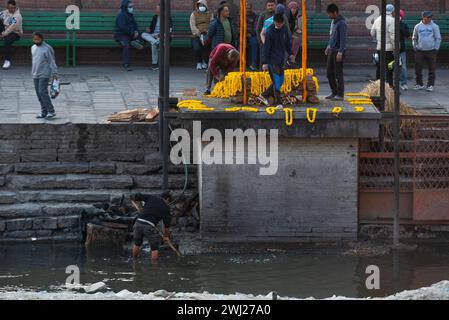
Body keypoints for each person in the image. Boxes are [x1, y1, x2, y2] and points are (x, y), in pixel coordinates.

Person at [259, 13, 295, 109]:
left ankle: (264, 95)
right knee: (277, 81)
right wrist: (264, 62)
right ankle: (278, 102)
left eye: (281, 23)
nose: (279, 25)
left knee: (281, 80)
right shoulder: (269, 31)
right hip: (271, 60)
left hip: (281, 59)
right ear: (274, 21)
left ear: (283, 22)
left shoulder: (284, 30)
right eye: (277, 23)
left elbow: (288, 43)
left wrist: (291, 53)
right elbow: (266, 48)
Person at [131, 192, 172, 262]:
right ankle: (154, 267)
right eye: (169, 202)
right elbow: (167, 227)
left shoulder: (151, 197)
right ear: (167, 199)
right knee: (154, 248)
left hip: (138, 223)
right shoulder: (166, 208)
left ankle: (134, 262)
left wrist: (138, 205)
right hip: (149, 226)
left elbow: (136, 196)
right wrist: (166, 237)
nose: (168, 204)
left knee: (137, 244)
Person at [31, 32, 58, 120]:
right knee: (38, 94)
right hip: (35, 73)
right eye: (34, 39)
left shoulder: (47, 48)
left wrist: (55, 73)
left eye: (38, 39)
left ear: (42, 39)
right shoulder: (33, 47)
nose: (36, 41)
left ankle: (51, 111)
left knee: (43, 92)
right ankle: (44, 111)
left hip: (45, 73)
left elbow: (52, 61)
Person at [412, 11, 441, 92]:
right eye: (427, 17)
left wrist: (436, 48)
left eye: (430, 17)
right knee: (418, 68)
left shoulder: (435, 26)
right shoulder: (417, 26)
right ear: (423, 17)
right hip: (419, 50)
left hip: (431, 51)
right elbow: (414, 38)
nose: (429, 19)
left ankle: (430, 85)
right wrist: (415, 47)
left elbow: (438, 38)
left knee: (432, 68)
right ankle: (419, 84)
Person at [325, 3, 347, 101]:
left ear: (335, 12)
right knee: (329, 72)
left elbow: (343, 39)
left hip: (338, 51)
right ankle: (334, 92)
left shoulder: (341, 23)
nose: (329, 16)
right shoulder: (334, 22)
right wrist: (328, 46)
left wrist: (341, 52)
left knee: (338, 73)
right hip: (332, 50)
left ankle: (340, 94)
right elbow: (332, 36)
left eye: (330, 14)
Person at [114, 0, 144, 72]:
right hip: (121, 35)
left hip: (131, 34)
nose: (132, 8)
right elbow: (122, 27)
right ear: (125, 7)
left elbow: (135, 25)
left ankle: (137, 41)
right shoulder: (121, 15)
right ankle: (126, 64)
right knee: (126, 45)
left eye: (132, 6)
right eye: (130, 7)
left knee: (143, 36)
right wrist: (133, 33)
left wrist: (136, 32)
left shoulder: (130, 15)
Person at [141, 4, 173, 71]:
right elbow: (151, 27)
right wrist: (148, 29)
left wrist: (159, 35)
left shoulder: (167, 17)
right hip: (154, 35)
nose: (156, 10)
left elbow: (169, 30)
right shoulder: (155, 17)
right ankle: (156, 42)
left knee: (153, 44)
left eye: (157, 9)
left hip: (163, 35)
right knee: (143, 34)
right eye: (156, 9)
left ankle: (154, 64)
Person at [371, 4, 395, 88]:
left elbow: (372, 32)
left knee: (379, 67)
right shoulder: (392, 20)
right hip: (389, 49)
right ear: (392, 11)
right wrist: (395, 47)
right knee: (389, 68)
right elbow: (393, 36)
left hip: (379, 47)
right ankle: (389, 86)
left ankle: (377, 86)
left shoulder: (377, 19)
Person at [190, 0, 213, 71]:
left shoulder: (210, 14)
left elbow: (212, 24)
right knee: (196, 47)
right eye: (200, 5)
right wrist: (199, 33)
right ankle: (199, 62)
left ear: (206, 6)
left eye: (203, 5)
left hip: (207, 34)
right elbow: (192, 25)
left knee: (207, 47)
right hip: (196, 35)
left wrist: (208, 32)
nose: (201, 7)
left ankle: (205, 62)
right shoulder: (194, 14)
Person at [0, 0, 22, 70]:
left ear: (15, 7)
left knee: (7, 41)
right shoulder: (4, 12)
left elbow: (11, 28)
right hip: (5, 32)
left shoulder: (17, 16)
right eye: (9, 7)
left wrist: (3, 34)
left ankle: (7, 61)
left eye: (12, 8)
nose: (11, 9)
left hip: (15, 33)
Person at [256, 0, 276, 65]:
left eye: (272, 5)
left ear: (275, 6)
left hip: (276, 43)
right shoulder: (263, 15)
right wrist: (260, 42)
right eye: (269, 5)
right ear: (266, 6)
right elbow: (258, 29)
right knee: (264, 63)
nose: (270, 7)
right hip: (264, 43)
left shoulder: (278, 15)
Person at [399, 9, 410, 91]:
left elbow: (407, 35)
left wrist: (400, 25)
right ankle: (390, 83)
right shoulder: (390, 24)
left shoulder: (404, 24)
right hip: (390, 49)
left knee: (403, 67)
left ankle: (403, 83)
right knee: (389, 67)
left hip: (401, 49)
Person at [246, 3, 259, 71]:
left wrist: (251, 33)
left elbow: (256, 27)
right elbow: (238, 26)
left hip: (252, 35)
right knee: (241, 44)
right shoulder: (241, 15)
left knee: (254, 43)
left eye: (249, 8)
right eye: (246, 8)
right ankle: (240, 64)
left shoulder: (255, 16)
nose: (248, 10)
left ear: (251, 8)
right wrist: (243, 33)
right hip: (242, 35)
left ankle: (253, 64)